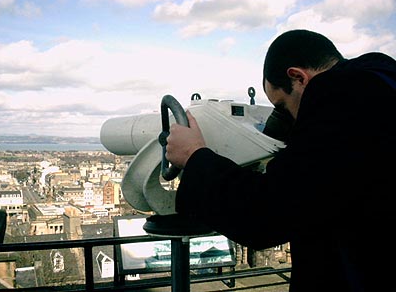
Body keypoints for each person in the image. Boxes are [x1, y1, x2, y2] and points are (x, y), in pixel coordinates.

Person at [165, 29, 396, 292]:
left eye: (283, 106)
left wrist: (194, 156)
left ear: (298, 77)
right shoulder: (380, 86)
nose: (292, 120)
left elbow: (267, 213)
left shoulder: (342, 100)